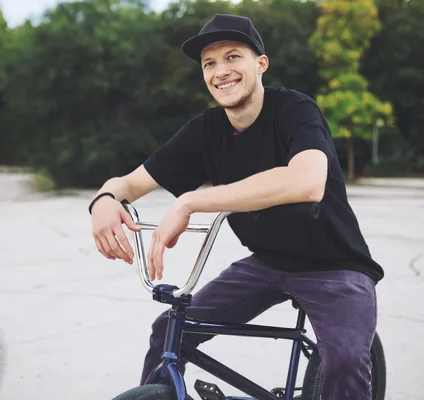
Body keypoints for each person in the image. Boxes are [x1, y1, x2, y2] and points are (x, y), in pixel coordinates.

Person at [89, 14, 383, 400]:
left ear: (260, 64)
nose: (220, 71)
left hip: (337, 265)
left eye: (232, 57)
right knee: (168, 330)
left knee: (343, 361)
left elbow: (307, 181)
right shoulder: (205, 131)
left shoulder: (294, 110)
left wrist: (192, 201)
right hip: (267, 263)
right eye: (209, 63)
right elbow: (129, 182)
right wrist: (104, 201)